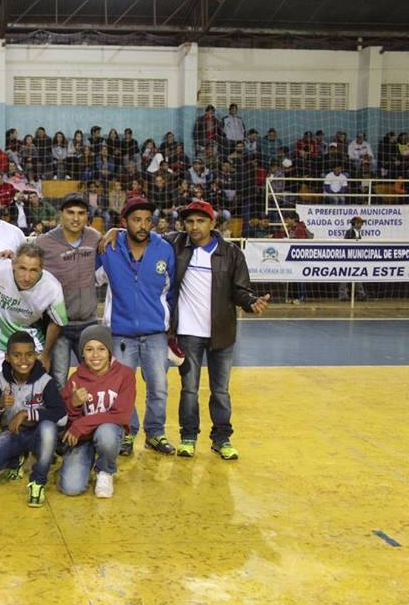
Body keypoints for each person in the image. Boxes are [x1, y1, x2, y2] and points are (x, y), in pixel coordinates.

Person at [165, 200, 270, 460]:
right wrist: (114, 231)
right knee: (189, 390)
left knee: (220, 391)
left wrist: (250, 302)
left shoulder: (231, 253)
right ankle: (188, 437)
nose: (194, 226)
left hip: (221, 332)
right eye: (189, 222)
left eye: (200, 221)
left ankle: (221, 439)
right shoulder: (176, 245)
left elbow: (240, 289)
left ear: (212, 223)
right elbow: (141, 234)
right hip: (187, 333)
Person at [97, 196, 177, 456]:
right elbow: (93, 278)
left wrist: (169, 325)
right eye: (136, 220)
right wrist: (112, 232)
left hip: (155, 333)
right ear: (124, 222)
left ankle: (155, 433)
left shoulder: (164, 248)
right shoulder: (108, 247)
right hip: (120, 333)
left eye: (147, 220)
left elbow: (172, 288)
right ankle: (126, 433)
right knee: (122, 388)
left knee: (159, 387)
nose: (143, 225)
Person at [0, 331, 65, 508]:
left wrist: (27, 414)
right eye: (17, 355)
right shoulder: (0, 380)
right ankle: (16, 459)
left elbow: (61, 416)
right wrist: (0, 404)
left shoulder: (45, 381)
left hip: (39, 436)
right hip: (13, 434)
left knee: (48, 428)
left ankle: (38, 481)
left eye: (29, 355)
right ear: (7, 357)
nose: (23, 361)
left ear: (36, 355)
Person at [58, 325, 135, 498]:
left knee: (107, 432)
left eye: (101, 349)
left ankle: (105, 471)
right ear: (82, 353)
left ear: (109, 352)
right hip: (82, 440)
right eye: (89, 349)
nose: (95, 355)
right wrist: (74, 403)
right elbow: (66, 422)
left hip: (107, 433)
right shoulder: (75, 379)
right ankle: (84, 459)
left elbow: (121, 415)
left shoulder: (125, 375)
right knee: (71, 488)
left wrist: (82, 424)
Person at [35, 192, 102, 391]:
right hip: (59, 325)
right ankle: (61, 421)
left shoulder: (94, 237)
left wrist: (115, 229)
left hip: (88, 323)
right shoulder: (43, 242)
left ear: (87, 217)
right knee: (58, 379)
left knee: (93, 378)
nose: (75, 218)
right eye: (70, 212)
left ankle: (91, 421)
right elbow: (25, 260)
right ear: (61, 214)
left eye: (81, 213)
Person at [0, 242, 67, 382]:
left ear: (41, 269)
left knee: (32, 389)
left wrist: (45, 355)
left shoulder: (52, 288)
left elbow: (57, 323)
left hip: (30, 339)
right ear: (13, 264)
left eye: (33, 270)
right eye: (22, 268)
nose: (26, 277)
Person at [340, 216, 368, 301]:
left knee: (356, 275)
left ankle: (360, 294)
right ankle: (343, 295)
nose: (362, 224)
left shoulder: (357, 232)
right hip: (348, 258)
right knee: (345, 276)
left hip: (354, 258)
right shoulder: (350, 232)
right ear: (355, 223)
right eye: (360, 223)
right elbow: (348, 245)